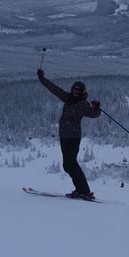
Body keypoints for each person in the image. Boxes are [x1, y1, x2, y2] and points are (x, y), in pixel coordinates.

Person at [37, 68, 101, 200]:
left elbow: (94, 114)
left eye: (78, 91)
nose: (75, 92)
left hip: (73, 137)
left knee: (71, 163)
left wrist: (97, 108)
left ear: (82, 92)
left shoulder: (83, 104)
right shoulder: (68, 98)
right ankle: (81, 190)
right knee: (67, 165)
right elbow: (54, 89)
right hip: (64, 136)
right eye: (74, 90)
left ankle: (84, 191)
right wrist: (42, 79)